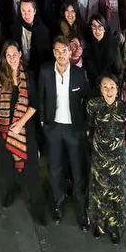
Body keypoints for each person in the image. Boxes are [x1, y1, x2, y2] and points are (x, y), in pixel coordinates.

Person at [37, 36, 90, 230]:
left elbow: (88, 100)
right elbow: (41, 98)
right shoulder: (45, 71)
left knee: (78, 171)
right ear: (54, 52)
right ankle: (58, 203)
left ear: (70, 52)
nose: (61, 54)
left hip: (74, 130)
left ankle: (82, 208)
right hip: (54, 128)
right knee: (55, 168)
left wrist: (84, 128)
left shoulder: (79, 74)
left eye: (64, 51)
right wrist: (44, 122)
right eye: (57, 51)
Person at [0, 40, 38, 219]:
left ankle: (32, 199)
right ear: (4, 57)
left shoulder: (29, 75)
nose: (12, 57)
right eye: (8, 55)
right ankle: (8, 192)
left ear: (20, 54)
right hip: (3, 127)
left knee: (30, 167)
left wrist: (21, 123)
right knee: (6, 167)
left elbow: (35, 104)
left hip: (24, 128)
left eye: (14, 53)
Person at [86, 74, 126, 243]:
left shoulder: (124, 109)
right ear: (100, 90)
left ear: (117, 89)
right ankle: (99, 225)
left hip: (118, 160)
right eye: (105, 87)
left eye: (112, 87)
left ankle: (114, 227)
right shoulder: (93, 106)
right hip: (99, 157)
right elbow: (89, 126)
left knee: (116, 193)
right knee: (99, 191)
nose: (109, 90)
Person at [81, 15, 125, 90]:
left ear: (104, 29)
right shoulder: (87, 46)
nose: (97, 30)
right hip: (93, 88)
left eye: (100, 27)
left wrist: (115, 88)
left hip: (109, 88)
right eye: (94, 27)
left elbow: (119, 69)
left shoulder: (113, 45)